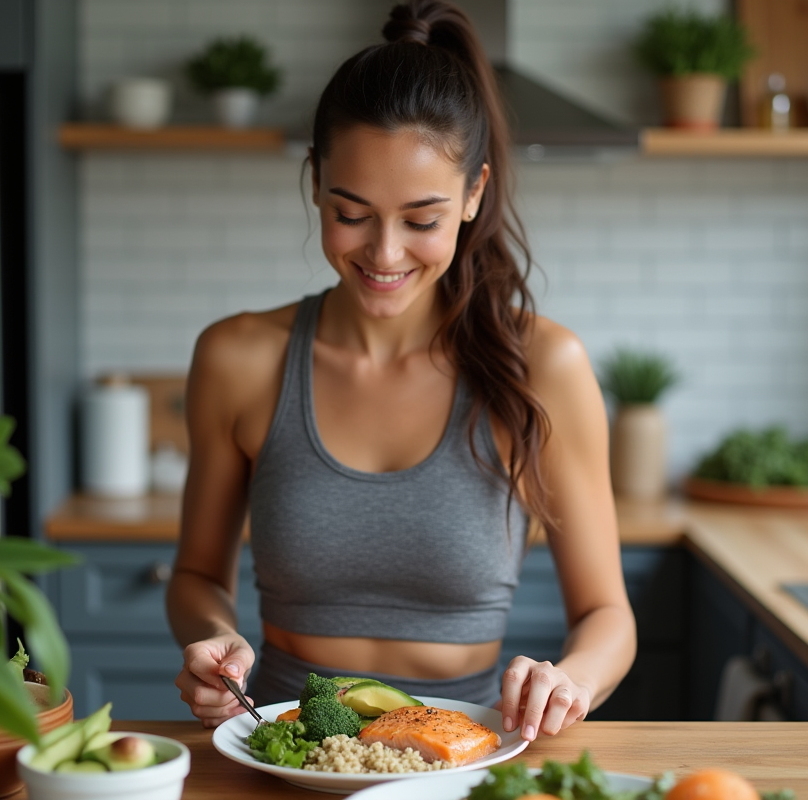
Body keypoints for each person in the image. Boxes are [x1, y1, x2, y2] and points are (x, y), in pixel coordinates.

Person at [166, 0, 635, 744]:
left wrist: (570, 680)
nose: (384, 255)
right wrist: (211, 638)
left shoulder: (544, 366)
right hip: (287, 759)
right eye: (352, 213)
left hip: (465, 756)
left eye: (422, 220)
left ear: (473, 196)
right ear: (316, 181)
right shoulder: (238, 358)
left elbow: (607, 615)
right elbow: (196, 576)